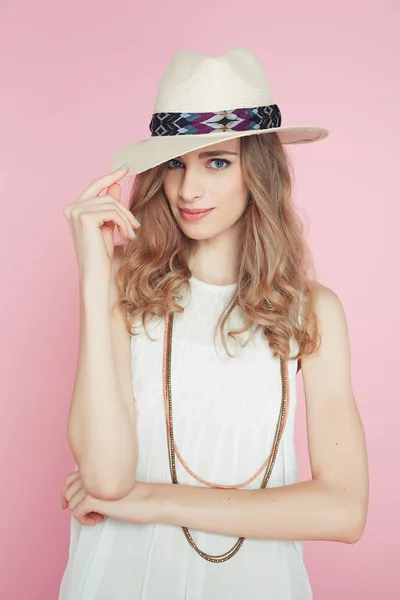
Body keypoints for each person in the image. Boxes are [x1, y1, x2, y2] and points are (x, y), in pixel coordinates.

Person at [58, 47, 369, 600]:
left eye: (217, 162)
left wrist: (147, 500)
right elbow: (105, 480)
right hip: (123, 579)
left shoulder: (311, 312)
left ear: (260, 174)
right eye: (175, 163)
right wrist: (93, 273)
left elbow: (343, 509)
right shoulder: (125, 295)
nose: (188, 189)